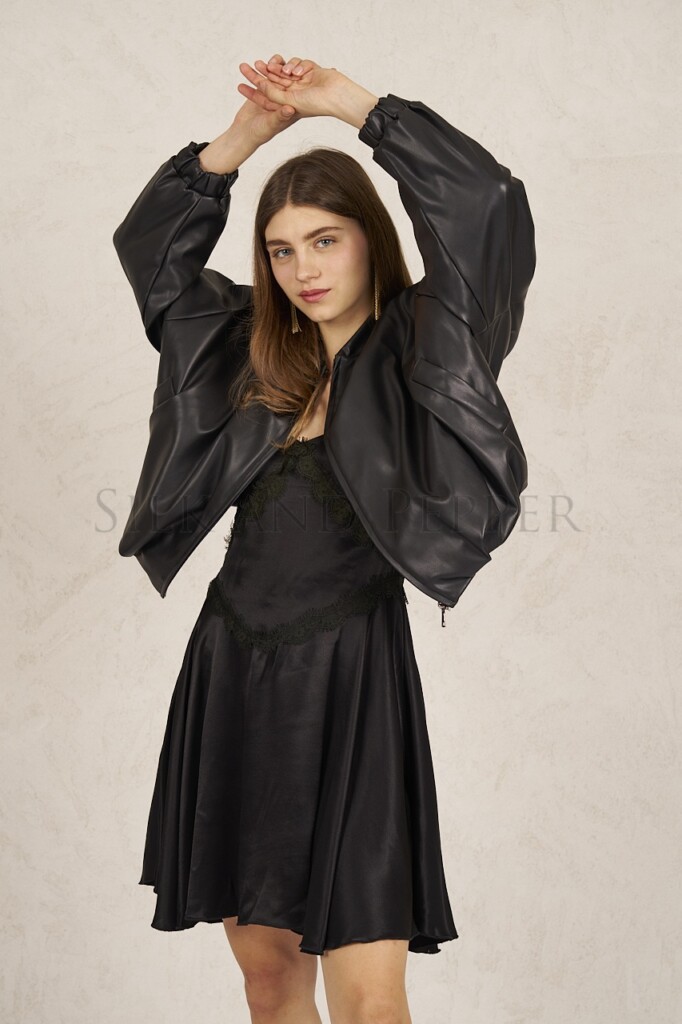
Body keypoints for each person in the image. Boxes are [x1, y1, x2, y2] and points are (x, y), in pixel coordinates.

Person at [113, 55, 536, 1024]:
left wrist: (352, 108)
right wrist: (242, 140)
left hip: (354, 680)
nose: (303, 270)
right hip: (232, 670)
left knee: (370, 1000)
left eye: (325, 240)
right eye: (281, 250)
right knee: (268, 982)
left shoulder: (434, 343)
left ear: (367, 241)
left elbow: (485, 205)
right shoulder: (236, 349)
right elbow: (155, 260)